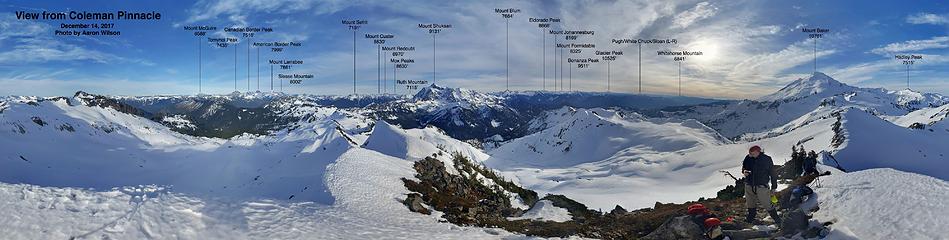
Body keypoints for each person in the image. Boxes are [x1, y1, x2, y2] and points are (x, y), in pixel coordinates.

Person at [742, 145, 781, 225]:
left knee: (767, 203)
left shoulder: (766, 159)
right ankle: (751, 218)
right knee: (750, 202)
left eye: (752, 153)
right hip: (749, 184)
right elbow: (744, 167)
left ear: (758, 152)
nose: (750, 154)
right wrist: (744, 171)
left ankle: (777, 220)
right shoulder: (748, 158)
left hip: (761, 185)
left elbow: (773, 173)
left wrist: (774, 187)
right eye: (749, 153)